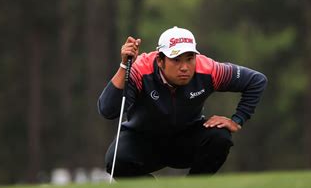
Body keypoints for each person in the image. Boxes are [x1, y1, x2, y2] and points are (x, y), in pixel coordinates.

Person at [98, 26, 267, 178]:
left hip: (185, 140)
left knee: (220, 137)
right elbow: (108, 110)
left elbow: (256, 81)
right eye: (176, 59)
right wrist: (124, 67)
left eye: (189, 58)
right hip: (143, 140)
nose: (185, 67)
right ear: (160, 60)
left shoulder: (208, 69)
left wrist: (237, 120)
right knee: (116, 160)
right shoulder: (140, 70)